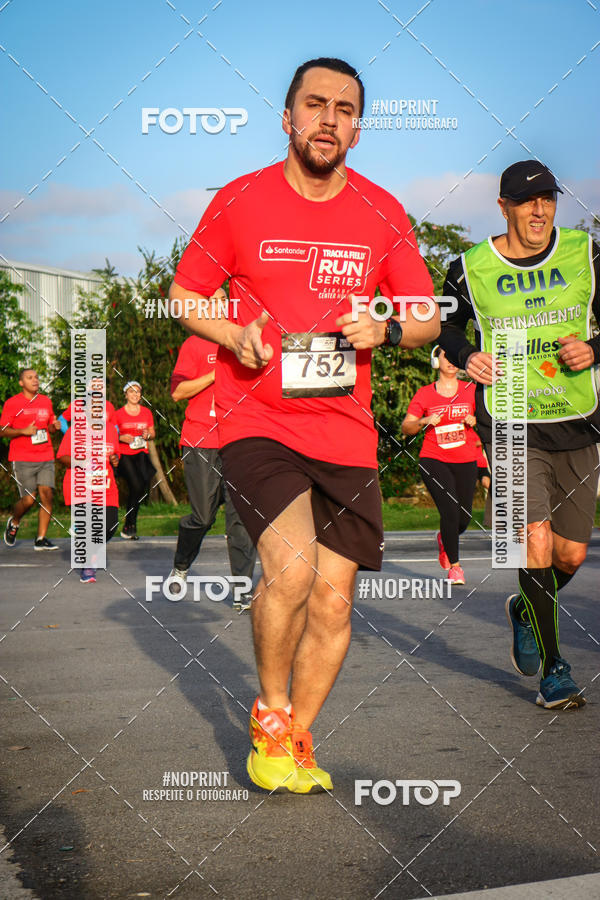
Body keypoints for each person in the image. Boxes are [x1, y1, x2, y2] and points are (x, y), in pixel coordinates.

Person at [168, 57, 439, 793]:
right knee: (289, 570)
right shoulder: (241, 200)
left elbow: (421, 316)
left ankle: (300, 735)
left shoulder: (383, 212)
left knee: (334, 597)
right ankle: (272, 712)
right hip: (259, 419)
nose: (329, 119)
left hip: (346, 432)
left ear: (358, 126)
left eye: (344, 109)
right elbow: (187, 294)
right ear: (287, 118)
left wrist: (383, 327)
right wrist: (232, 338)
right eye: (314, 105)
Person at [439, 159, 600, 710]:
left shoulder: (585, 253)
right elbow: (444, 323)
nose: (540, 211)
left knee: (571, 554)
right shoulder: (468, 267)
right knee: (530, 539)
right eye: (528, 201)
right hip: (507, 420)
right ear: (503, 205)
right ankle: (556, 669)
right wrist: (467, 355)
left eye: (549, 200)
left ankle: (527, 607)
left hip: (576, 419)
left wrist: (595, 350)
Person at [168, 329, 257, 611]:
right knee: (203, 517)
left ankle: (242, 591)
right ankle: (181, 565)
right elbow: (177, 393)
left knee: (241, 519)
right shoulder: (194, 344)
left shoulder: (246, 343)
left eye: (224, 299)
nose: (221, 304)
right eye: (215, 300)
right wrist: (215, 374)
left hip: (239, 442)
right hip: (201, 441)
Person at [401, 345, 479, 585]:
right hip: (434, 458)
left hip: (466, 459)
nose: (452, 361)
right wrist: (424, 420)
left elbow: (489, 419)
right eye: (447, 356)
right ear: (437, 361)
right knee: (450, 512)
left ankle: (445, 539)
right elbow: (407, 427)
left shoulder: (472, 390)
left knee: (463, 518)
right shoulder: (425, 394)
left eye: (456, 358)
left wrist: (475, 419)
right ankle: (455, 568)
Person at [1, 368, 59, 550]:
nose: (35, 380)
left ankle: (40, 539)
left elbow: (49, 426)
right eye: (29, 377)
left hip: (45, 455)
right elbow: (3, 430)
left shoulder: (46, 401)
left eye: (36, 377)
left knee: (47, 495)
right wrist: (22, 431)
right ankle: (15, 521)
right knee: (29, 500)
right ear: (21, 383)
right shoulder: (13, 403)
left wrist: (54, 427)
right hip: (22, 457)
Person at [57, 421, 120, 583]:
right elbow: (62, 457)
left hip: (106, 487)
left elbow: (115, 454)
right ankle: (88, 562)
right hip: (79, 487)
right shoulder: (75, 430)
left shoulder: (111, 430)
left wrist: (114, 459)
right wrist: (81, 463)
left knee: (110, 525)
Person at [113, 381, 156, 539]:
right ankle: (130, 524)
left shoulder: (146, 412)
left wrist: (148, 435)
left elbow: (152, 432)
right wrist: (121, 437)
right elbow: (111, 434)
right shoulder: (118, 414)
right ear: (125, 394)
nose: (135, 394)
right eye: (131, 392)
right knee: (136, 485)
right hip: (124, 455)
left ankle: (129, 526)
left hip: (141, 454)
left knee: (139, 488)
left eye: (137, 392)